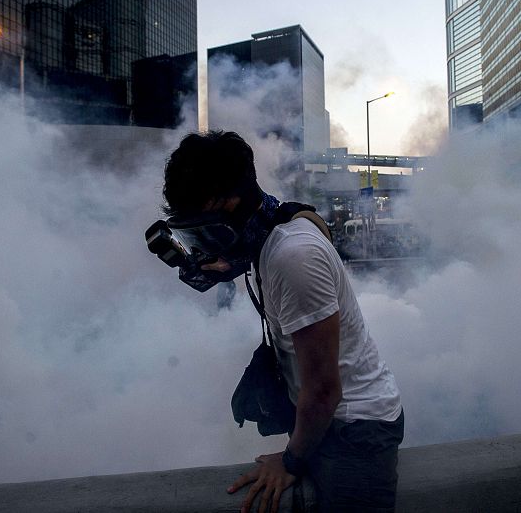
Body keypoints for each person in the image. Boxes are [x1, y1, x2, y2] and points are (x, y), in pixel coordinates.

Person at [160, 130, 403, 513]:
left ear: (229, 203)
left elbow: (324, 389)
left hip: (354, 432)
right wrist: (227, 262)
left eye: (202, 227)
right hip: (331, 422)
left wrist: (290, 460)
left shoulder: (293, 256)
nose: (201, 240)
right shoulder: (271, 231)